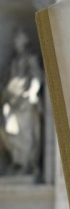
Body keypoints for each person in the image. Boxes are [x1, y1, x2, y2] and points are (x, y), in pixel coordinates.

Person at [0, 28, 43, 177]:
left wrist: (32, 92)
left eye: (18, 38)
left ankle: (25, 164)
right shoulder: (13, 60)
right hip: (11, 100)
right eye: (14, 39)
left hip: (25, 103)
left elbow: (37, 76)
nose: (15, 41)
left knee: (25, 133)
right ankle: (16, 161)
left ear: (24, 41)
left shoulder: (30, 57)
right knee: (6, 128)